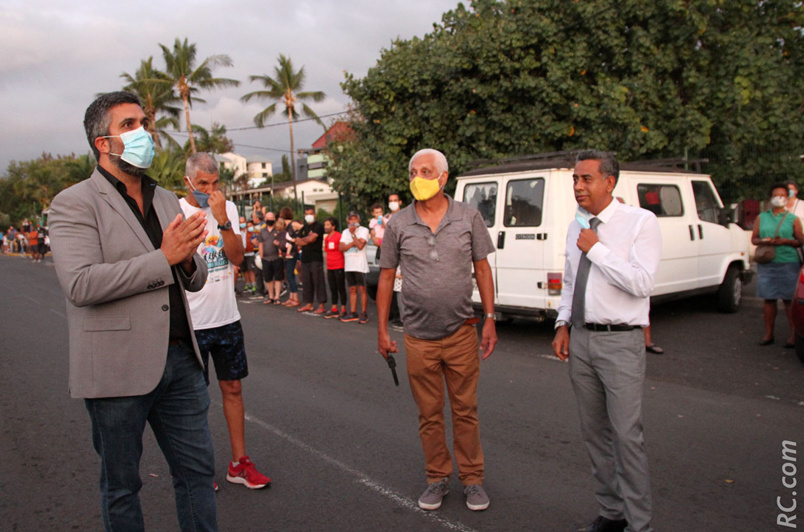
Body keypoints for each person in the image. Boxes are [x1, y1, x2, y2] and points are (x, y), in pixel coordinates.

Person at [48, 91, 217, 531]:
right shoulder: (74, 202)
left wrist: (184, 258)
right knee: (122, 486)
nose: (143, 132)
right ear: (103, 143)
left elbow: (194, 278)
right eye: (129, 125)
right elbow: (81, 284)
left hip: (180, 361)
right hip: (117, 369)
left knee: (197, 475)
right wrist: (164, 258)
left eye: (144, 122)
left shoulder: (166, 200)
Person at [377, 148, 497, 512]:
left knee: (465, 409)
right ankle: (437, 477)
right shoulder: (398, 224)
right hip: (417, 337)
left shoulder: (468, 217)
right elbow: (385, 278)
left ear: (443, 178)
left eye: (426, 171)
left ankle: (473, 480)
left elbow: (482, 268)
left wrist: (490, 317)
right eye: (413, 171)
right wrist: (381, 330)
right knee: (429, 413)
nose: (418, 177)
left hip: (461, 333)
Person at [551, 150, 661, 532]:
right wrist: (562, 323)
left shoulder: (640, 222)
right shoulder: (575, 226)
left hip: (621, 343)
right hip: (582, 339)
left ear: (609, 182)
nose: (578, 186)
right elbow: (570, 280)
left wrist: (596, 249)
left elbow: (643, 283)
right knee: (594, 435)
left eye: (586, 179)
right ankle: (611, 514)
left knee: (627, 437)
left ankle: (639, 524)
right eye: (575, 180)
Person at [179, 152, 271, 490]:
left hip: (226, 318)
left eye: (216, 183)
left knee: (233, 388)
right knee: (193, 398)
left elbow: (236, 257)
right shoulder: (174, 211)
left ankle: (239, 463)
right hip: (191, 322)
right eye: (203, 183)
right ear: (188, 180)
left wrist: (223, 221)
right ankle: (199, 469)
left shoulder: (227, 209)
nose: (210, 190)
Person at [752, 182, 804, 347]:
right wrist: (763, 240)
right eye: (776, 195)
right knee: (769, 299)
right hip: (767, 263)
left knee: (789, 300)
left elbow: (800, 241)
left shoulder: (793, 219)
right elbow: (754, 238)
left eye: (782, 195)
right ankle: (768, 334)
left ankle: (793, 336)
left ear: (787, 198)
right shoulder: (762, 217)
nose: (779, 198)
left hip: (788, 262)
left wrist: (787, 241)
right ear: (771, 197)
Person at [340, 211, 371, 324]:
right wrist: (351, 244)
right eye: (351, 219)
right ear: (348, 221)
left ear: (359, 220)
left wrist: (353, 235)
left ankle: (364, 312)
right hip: (349, 265)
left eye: (355, 219)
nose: (353, 222)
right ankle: (353, 312)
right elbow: (341, 247)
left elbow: (360, 245)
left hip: (360, 265)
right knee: (352, 289)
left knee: (362, 289)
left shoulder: (364, 230)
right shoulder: (344, 232)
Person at [295, 206, 326, 314]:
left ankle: (321, 305)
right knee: (306, 282)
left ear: (315, 215)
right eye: (307, 214)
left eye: (311, 214)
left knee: (318, 281)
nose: (309, 216)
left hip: (315, 258)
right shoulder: (304, 228)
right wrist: (306, 240)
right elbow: (297, 241)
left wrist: (305, 240)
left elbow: (313, 239)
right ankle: (309, 304)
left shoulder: (318, 226)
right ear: (304, 216)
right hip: (305, 259)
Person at [257, 211, 285, 305]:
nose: (270, 220)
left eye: (271, 219)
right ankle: (271, 296)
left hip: (277, 257)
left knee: (278, 278)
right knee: (268, 278)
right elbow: (260, 244)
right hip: (266, 258)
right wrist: (261, 257)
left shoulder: (278, 230)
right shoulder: (262, 231)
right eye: (268, 219)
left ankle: (277, 297)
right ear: (265, 219)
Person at [323, 217, 348, 318]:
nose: (326, 227)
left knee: (340, 287)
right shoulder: (327, 238)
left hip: (339, 266)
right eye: (325, 225)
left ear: (333, 226)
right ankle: (334, 308)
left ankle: (343, 308)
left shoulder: (339, 236)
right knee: (332, 288)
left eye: (328, 225)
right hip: (330, 266)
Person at [279, 207, 301, 307]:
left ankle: (295, 298)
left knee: (290, 274)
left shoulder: (293, 224)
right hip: (287, 253)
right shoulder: (286, 226)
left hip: (292, 253)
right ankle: (291, 297)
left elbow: (303, 228)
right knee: (288, 275)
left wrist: (296, 239)